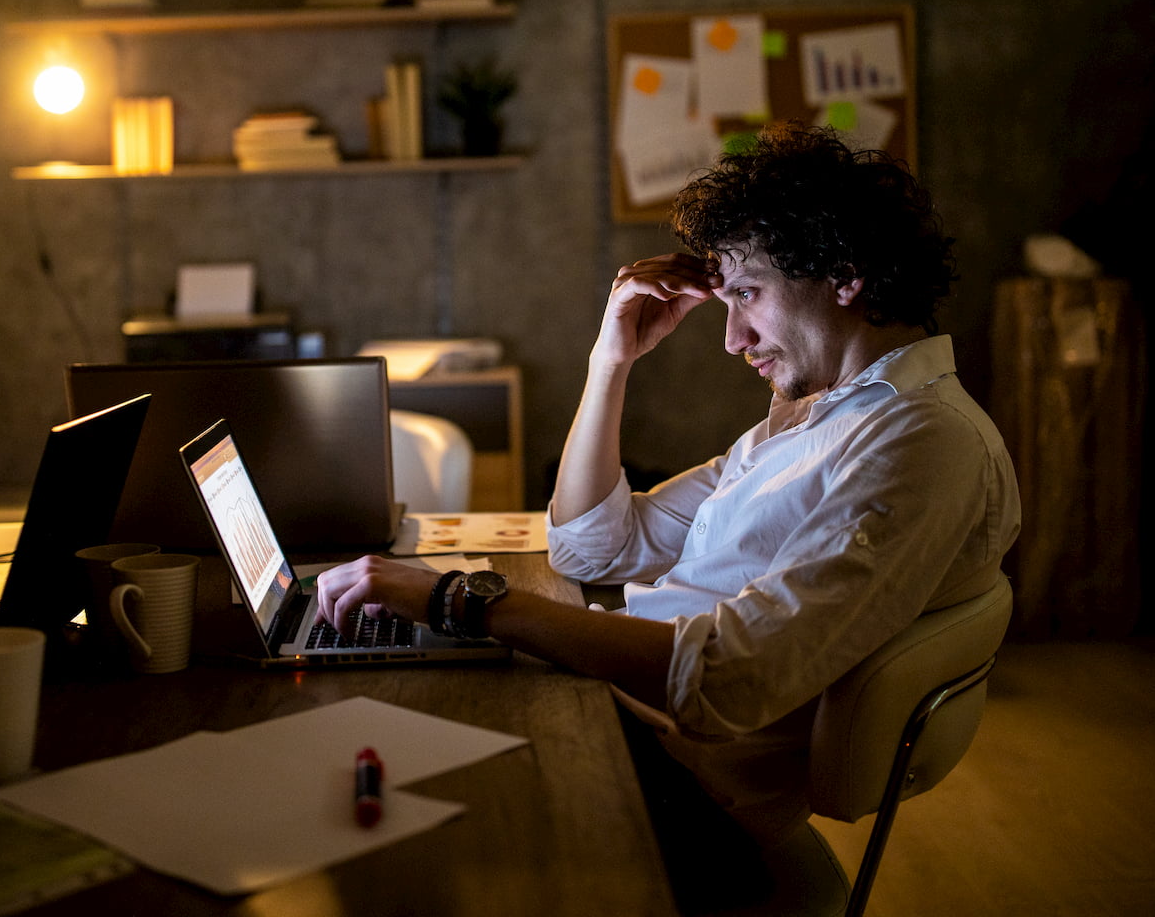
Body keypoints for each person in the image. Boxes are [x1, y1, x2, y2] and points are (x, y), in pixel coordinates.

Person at [316, 121, 1020, 906]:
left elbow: (730, 677)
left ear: (843, 277)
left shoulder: (920, 442)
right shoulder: (814, 419)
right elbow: (592, 550)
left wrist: (461, 600)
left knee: (359, 757)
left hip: (678, 785)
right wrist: (609, 362)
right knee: (364, 709)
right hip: (633, 728)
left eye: (747, 295)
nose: (731, 339)